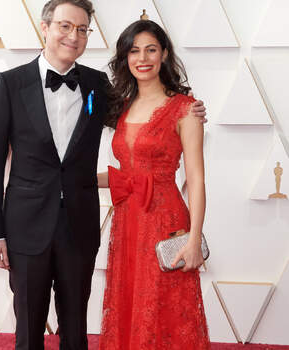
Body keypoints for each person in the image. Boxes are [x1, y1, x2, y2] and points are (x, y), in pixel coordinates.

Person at [0, 1, 207, 349]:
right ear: (45, 27)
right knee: (27, 330)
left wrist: (188, 107)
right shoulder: (10, 84)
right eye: (65, 26)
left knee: (76, 329)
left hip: (79, 226)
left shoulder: (98, 86)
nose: (74, 36)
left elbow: (151, 116)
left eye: (83, 29)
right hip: (25, 227)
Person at [98, 20, 210, 349]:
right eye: (134, 50)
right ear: (125, 58)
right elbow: (125, 175)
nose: (142, 58)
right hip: (128, 221)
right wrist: (74, 181)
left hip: (165, 220)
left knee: (168, 309)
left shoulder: (186, 109)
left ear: (164, 54)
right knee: (130, 302)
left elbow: (198, 179)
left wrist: (193, 240)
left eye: (150, 49)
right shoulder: (120, 106)